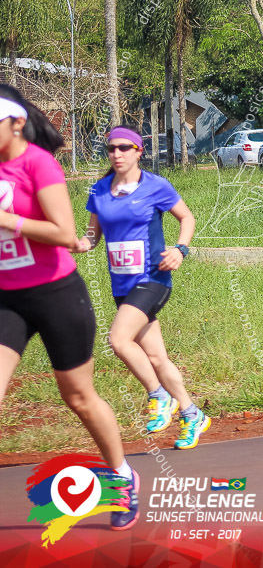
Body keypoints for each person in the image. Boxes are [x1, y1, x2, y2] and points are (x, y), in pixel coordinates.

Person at [0, 86, 139, 529]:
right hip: (7, 299)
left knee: (77, 396)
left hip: (56, 293)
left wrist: (5, 219)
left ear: (16, 123)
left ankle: (121, 475)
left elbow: (65, 233)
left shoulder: (39, 164)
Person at [71, 126, 209, 450]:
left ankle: (159, 396)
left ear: (138, 151)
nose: (116, 154)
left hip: (153, 279)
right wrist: (69, 244)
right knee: (157, 358)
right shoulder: (99, 191)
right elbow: (92, 237)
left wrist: (180, 250)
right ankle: (192, 414)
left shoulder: (155, 187)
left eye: (123, 148)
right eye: (111, 149)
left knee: (118, 339)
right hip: (122, 285)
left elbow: (186, 218)